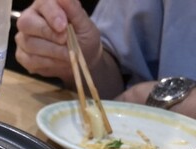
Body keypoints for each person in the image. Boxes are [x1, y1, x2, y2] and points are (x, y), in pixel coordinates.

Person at [14, 0, 196, 118]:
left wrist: (154, 99)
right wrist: (88, 60)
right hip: (137, 145)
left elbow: (132, 99)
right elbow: (115, 96)